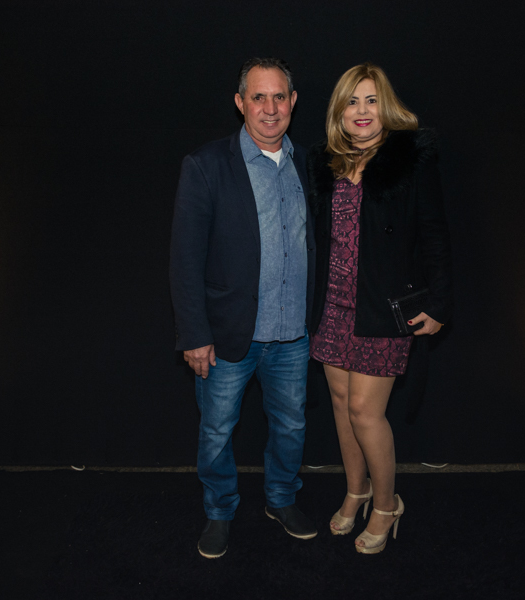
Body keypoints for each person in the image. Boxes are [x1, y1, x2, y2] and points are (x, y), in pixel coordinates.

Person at [169, 57, 316, 559]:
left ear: (292, 102)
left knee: (291, 428)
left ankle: (282, 500)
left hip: (293, 335)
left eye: (279, 97)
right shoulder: (206, 165)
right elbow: (184, 259)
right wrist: (194, 334)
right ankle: (219, 512)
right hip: (227, 335)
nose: (270, 108)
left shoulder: (308, 165)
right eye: (258, 97)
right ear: (240, 103)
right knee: (215, 433)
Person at [307, 63, 453, 554]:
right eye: (352, 101)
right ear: (339, 111)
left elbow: (435, 235)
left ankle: (388, 505)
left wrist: (439, 303)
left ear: (386, 106)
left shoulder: (409, 161)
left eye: (371, 100)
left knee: (366, 412)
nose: (362, 111)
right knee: (341, 404)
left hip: (383, 307)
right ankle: (357, 490)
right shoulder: (326, 163)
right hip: (333, 306)